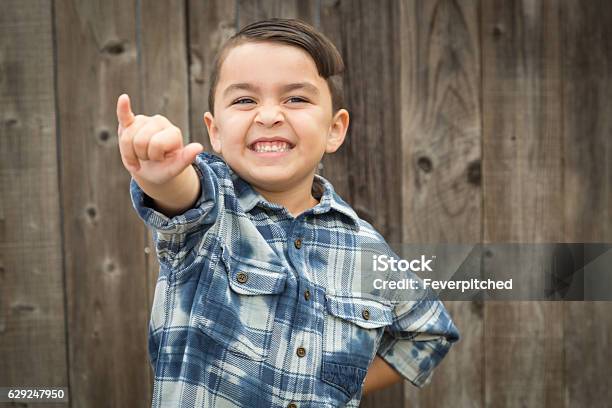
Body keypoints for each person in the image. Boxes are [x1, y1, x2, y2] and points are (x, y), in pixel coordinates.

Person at [118, 18, 459, 408]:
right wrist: (160, 177)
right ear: (214, 131)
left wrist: (334, 384)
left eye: (295, 99)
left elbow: (429, 332)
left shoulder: (365, 249)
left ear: (335, 129)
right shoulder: (212, 209)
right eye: (244, 100)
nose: (268, 115)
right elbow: (181, 196)